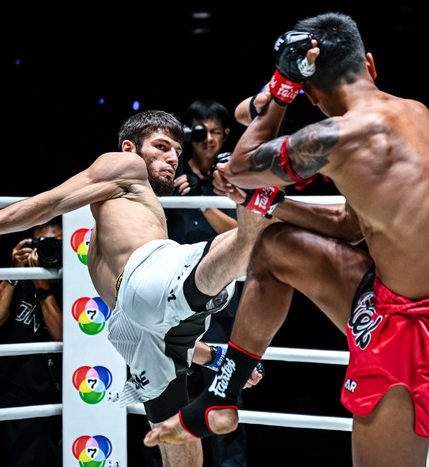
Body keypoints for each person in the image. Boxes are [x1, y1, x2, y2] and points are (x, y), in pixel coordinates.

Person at [143, 13, 429, 467]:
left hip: (409, 335)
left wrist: (283, 86)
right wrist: (267, 201)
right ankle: (222, 395)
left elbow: (240, 165)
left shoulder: (339, 135)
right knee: (274, 247)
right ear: (370, 65)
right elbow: (350, 225)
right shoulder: (416, 112)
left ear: (312, 94)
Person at [0, 110, 267, 467]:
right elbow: (50, 202)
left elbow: (154, 314)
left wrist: (213, 356)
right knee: (253, 244)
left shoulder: (126, 210)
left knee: (175, 431)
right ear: (130, 148)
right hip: (143, 288)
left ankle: (230, 355)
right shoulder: (126, 165)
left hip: (134, 322)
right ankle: (256, 179)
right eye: (162, 147)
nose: (173, 158)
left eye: (177, 151)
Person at [165, 99, 250, 467]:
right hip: (178, 303)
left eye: (216, 131)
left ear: (226, 133)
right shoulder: (169, 175)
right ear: (188, 134)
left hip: (226, 305)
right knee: (177, 395)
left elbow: (245, 235)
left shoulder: (233, 178)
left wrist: (200, 201)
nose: (208, 139)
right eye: (201, 131)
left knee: (226, 395)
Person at [0, 218, 63, 466]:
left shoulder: (76, 283)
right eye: (42, 244)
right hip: (1, 381)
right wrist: (15, 271)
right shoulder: (22, 274)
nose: (48, 249)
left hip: (40, 393)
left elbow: (63, 337)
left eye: (56, 243)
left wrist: (43, 289)